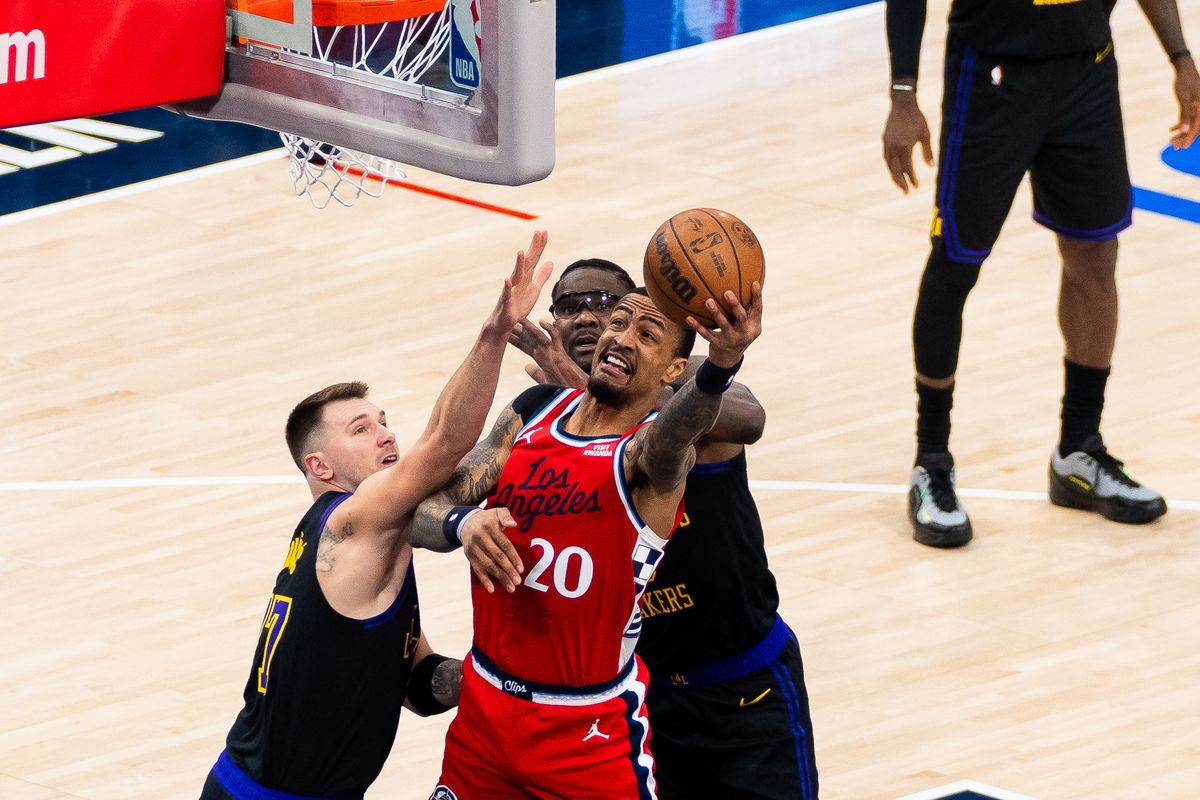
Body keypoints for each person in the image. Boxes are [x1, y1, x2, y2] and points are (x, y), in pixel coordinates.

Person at [198, 233, 553, 800]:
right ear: (319, 465)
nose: (386, 433)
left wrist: (492, 681)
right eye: (360, 430)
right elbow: (446, 441)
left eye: (384, 420)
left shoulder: (367, 542)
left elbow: (415, 684)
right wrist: (494, 335)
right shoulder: (351, 521)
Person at [409, 283, 763, 799]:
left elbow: (674, 435)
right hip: (483, 717)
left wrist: (721, 366)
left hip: (585, 733)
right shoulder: (533, 411)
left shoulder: (652, 454)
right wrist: (461, 524)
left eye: (647, 335)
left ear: (673, 372)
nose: (622, 338)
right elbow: (420, 509)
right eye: (619, 323)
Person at [882, 0, 1199, 547]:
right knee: (955, 263)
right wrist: (903, 94)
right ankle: (931, 461)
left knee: (1096, 256)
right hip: (993, 77)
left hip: (1087, 72)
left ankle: (1079, 450)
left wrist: (1181, 56)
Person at [509, 261, 818, 799]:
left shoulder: (691, 378)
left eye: (605, 304)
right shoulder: (539, 424)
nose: (587, 317)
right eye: (568, 307)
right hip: (633, 701)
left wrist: (597, 391)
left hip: (740, 687)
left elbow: (748, 419)